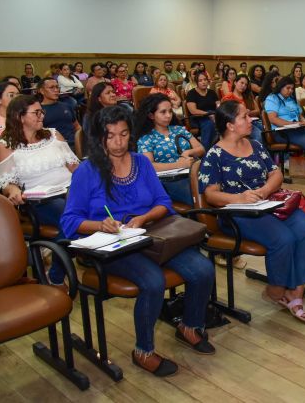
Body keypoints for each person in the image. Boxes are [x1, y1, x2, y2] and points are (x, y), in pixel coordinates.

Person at [61, 106, 214, 376]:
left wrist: (143, 219)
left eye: (123, 134)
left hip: (150, 236)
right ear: (100, 138)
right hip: (111, 246)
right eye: (110, 136)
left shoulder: (141, 162)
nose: (118, 142)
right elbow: (69, 221)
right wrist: (100, 224)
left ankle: (190, 325)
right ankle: (143, 350)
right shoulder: (87, 171)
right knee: (153, 281)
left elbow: (163, 203)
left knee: (203, 269)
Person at [199, 101, 305, 323]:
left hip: (266, 204)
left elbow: (275, 174)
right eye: (245, 117)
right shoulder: (214, 155)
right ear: (230, 125)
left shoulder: (255, 145)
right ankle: (276, 291)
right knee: (283, 239)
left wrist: (265, 190)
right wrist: (240, 198)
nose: (251, 120)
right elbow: (211, 195)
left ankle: (295, 291)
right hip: (237, 213)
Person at [0, 94, 79, 286]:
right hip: (41, 201)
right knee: (74, 221)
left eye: (42, 111)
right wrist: (12, 190)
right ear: (20, 117)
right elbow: (6, 182)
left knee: (94, 212)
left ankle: (52, 250)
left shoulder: (53, 135)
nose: (42, 116)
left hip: (71, 192)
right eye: (36, 112)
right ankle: (55, 275)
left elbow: (75, 167)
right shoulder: (6, 146)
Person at [136, 94, 205, 205]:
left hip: (192, 173)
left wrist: (188, 152)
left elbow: (201, 148)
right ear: (151, 115)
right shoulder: (147, 137)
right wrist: (179, 165)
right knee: (198, 194)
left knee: (214, 188)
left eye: (170, 111)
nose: (168, 116)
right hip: (168, 181)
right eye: (163, 112)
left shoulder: (179, 129)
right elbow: (149, 165)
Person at [39, 77, 80, 148]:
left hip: (74, 145)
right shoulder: (38, 110)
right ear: (42, 91)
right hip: (53, 148)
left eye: (57, 87)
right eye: (51, 87)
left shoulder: (67, 106)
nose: (56, 90)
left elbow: (77, 126)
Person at [219, 74, 262, 141]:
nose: (243, 86)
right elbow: (227, 115)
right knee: (258, 135)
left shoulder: (247, 97)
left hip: (251, 121)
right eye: (241, 83)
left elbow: (258, 110)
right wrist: (243, 113)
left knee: (266, 131)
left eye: (245, 84)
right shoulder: (228, 97)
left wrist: (249, 112)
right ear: (235, 82)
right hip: (238, 124)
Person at [185, 71, 219, 147]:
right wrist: (208, 114)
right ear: (196, 82)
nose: (203, 82)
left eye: (205, 80)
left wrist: (217, 113)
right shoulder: (191, 93)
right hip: (199, 117)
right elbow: (193, 111)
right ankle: (205, 150)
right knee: (209, 124)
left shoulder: (212, 92)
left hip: (214, 115)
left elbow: (218, 105)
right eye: (200, 81)